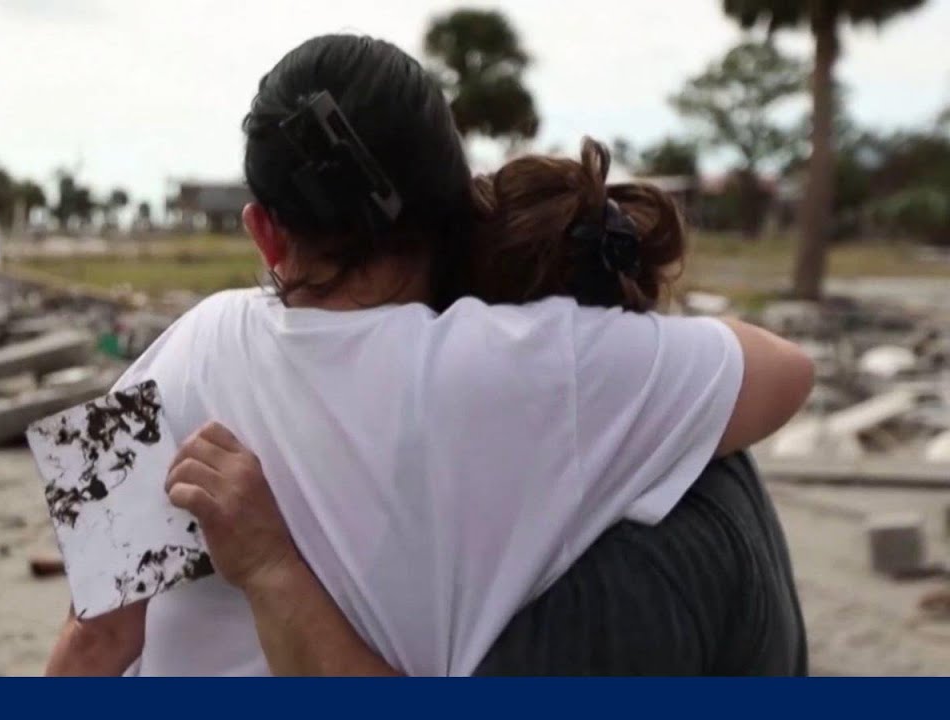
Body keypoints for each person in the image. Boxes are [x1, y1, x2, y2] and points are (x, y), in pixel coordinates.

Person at [47, 34, 812, 676]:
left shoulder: (185, 344)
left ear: (264, 232)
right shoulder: (537, 361)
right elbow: (786, 371)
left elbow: (97, 637)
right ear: (452, 195)